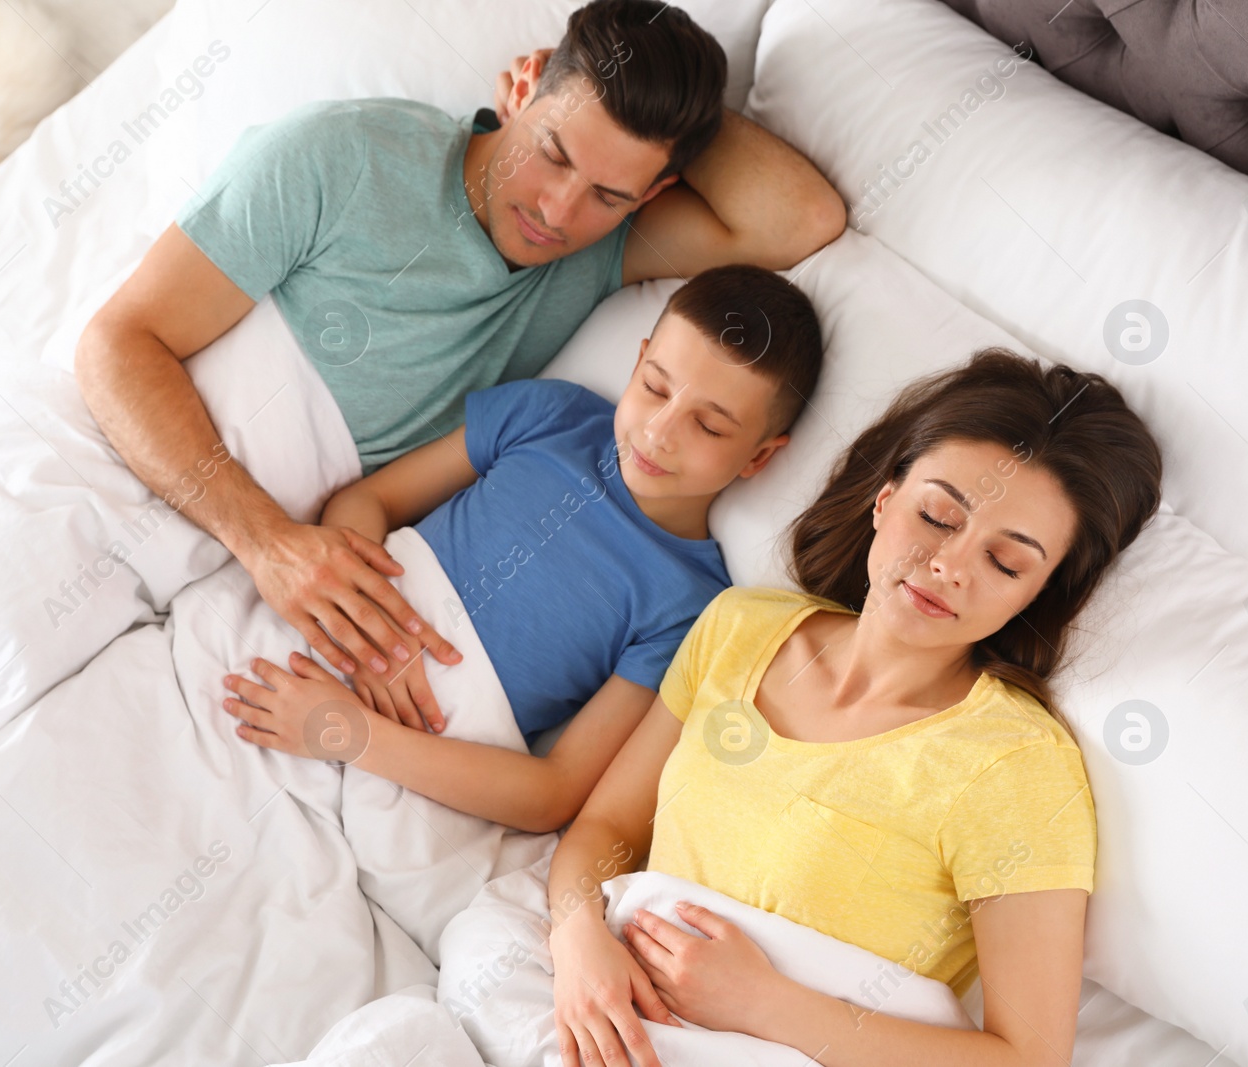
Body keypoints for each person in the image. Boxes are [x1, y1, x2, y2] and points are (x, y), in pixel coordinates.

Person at [74, 0, 847, 717]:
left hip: (253, 580)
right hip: (107, 469)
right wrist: (265, 542)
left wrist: (678, 117)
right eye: (553, 152)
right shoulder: (342, 154)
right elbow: (117, 346)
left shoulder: (597, 253)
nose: (559, 212)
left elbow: (803, 218)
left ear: (654, 194)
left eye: (611, 193)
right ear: (520, 90)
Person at [543, 349, 1164, 1066]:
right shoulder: (740, 625)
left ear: (1037, 593)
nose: (950, 565)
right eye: (937, 515)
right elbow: (607, 826)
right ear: (885, 498)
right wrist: (578, 942)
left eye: (1006, 562)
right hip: (598, 1002)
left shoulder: (1016, 765)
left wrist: (765, 1002)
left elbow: (1028, 1058)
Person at [216, 265, 823, 833]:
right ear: (638, 360)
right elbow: (365, 504)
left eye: (709, 426)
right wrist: (378, 637)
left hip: (419, 753)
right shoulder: (552, 416)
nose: (659, 433)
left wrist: (352, 733)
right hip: (326, 637)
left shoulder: (692, 606)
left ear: (761, 455)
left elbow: (554, 794)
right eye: (655, 387)